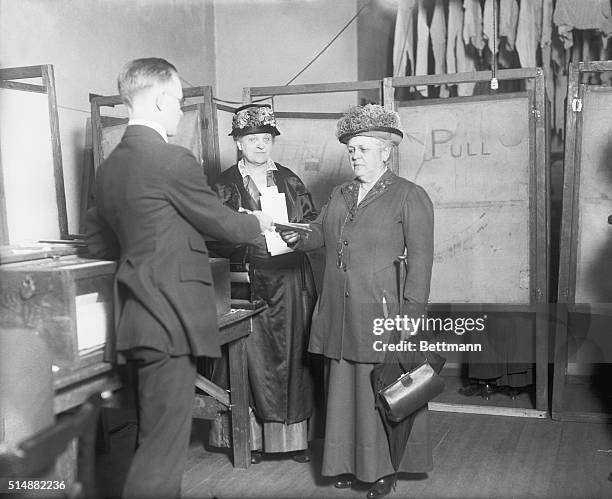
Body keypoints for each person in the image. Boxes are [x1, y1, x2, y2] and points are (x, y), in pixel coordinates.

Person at [85, 58, 272, 499]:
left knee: (153, 437)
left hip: (136, 319)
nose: (180, 111)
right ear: (161, 99)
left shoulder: (110, 167)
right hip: (170, 321)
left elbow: (98, 244)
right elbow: (222, 225)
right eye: (179, 101)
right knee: (162, 450)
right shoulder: (171, 159)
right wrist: (259, 222)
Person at [280, 104, 435, 499]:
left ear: (386, 151)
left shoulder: (410, 196)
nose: (354, 156)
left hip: (379, 312)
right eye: (351, 150)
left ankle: (380, 470)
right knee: (341, 391)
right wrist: (298, 235)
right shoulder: (339, 193)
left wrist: (410, 319)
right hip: (336, 310)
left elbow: (420, 263)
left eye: (363, 149)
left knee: (375, 394)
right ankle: (344, 465)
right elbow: (320, 236)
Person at [208, 103, 318, 463]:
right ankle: (246, 440)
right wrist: (244, 234)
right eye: (252, 139)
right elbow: (210, 233)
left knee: (294, 354)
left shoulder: (290, 180)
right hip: (245, 280)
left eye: (266, 139)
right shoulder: (223, 185)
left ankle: (293, 440)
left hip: (290, 280)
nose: (260, 145)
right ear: (238, 143)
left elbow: (314, 224)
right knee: (245, 355)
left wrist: (297, 237)